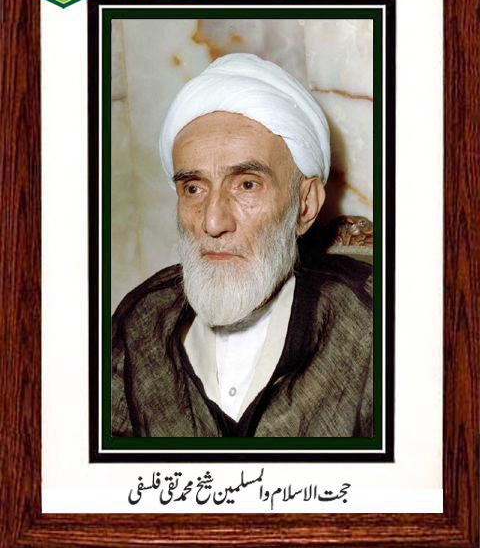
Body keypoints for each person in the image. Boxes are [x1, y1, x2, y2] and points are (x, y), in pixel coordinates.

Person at [111, 53, 373, 438]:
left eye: (247, 185)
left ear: (305, 205)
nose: (213, 223)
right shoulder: (142, 319)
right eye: (194, 188)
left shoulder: (370, 326)